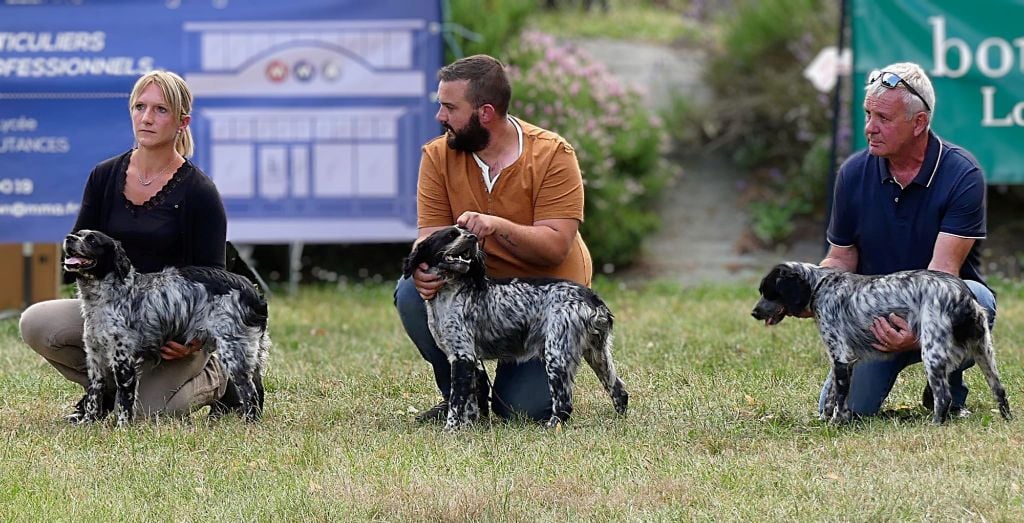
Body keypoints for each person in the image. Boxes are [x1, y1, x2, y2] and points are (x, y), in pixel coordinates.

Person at [19, 70, 239, 420]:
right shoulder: (104, 176)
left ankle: (219, 379)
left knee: (149, 413)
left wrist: (195, 339)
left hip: (173, 332)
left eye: (160, 110)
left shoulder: (200, 192)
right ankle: (106, 392)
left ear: (183, 122)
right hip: (113, 316)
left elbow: (215, 281)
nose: (147, 118)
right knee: (37, 323)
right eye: (140, 106)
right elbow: (77, 250)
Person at [395, 54, 593, 423]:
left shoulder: (553, 154)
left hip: (543, 300)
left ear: (485, 113)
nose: (440, 117)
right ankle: (464, 396)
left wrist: (497, 225)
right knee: (409, 292)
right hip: (473, 288)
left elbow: (556, 246)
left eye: (450, 107)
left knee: (522, 411)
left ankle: (518, 384)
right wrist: (422, 270)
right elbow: (428, 237)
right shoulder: (437, 157)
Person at [818, 61, 995, 417]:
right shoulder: (853, 173)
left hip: (934, 309)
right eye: (868, 114)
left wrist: (920, 333)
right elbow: (840, 258)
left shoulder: (963, 173)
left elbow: (942, 273)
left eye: (883, 118)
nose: (870, 128)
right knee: (841, 414)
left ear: (919, 123)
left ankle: (945, 390)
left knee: (978, 301)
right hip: (875, 322)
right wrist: (812, 288)